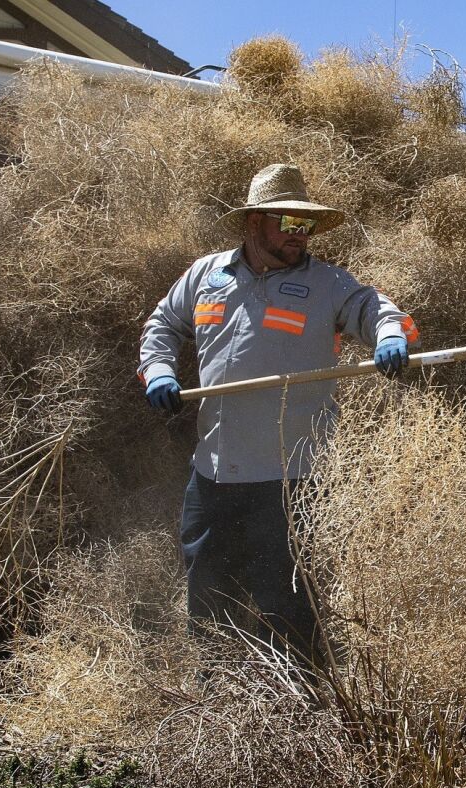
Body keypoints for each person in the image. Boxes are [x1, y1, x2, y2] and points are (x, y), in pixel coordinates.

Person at [137, 163, 419, 666]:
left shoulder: (327, 285)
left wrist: (391, 334)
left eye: (305, 225)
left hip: (293, 476)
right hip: (215, 470)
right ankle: (216, 704)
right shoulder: (206, 275)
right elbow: (163, 323)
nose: (300, 235)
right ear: (254, 223)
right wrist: (158, 370)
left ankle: (296, 714)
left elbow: (375, 308)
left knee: (288, 606)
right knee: (208, 599)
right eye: (288, 223)